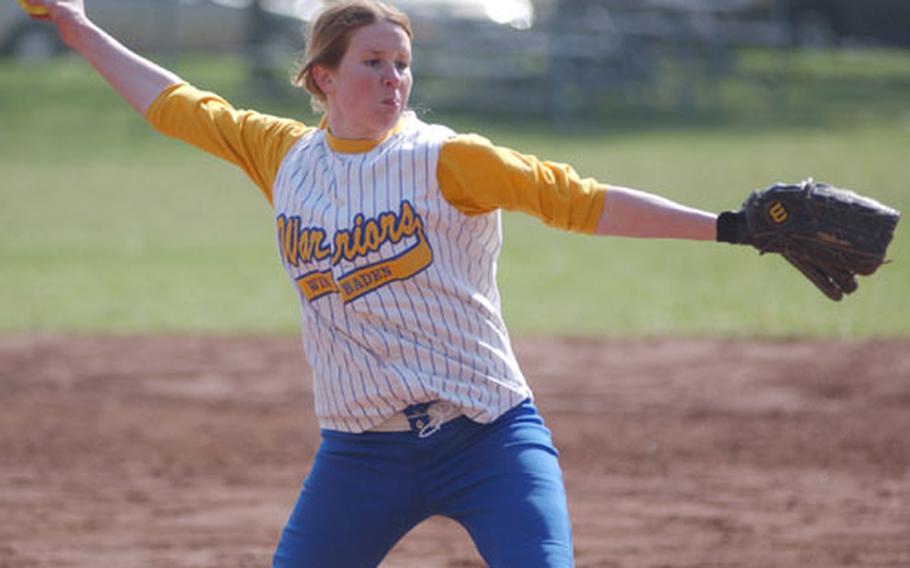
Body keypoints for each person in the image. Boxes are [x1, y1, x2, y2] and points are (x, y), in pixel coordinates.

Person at [30, 1, 724, 566]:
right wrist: (77, 25)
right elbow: (178, 105)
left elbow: (582, 201)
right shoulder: (284, 157)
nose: (394, 77)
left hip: (489, 437)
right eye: (373, 62)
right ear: (324, 78)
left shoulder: (448, 160)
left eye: (402, 64)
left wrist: (729, 226)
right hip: (361, 452)